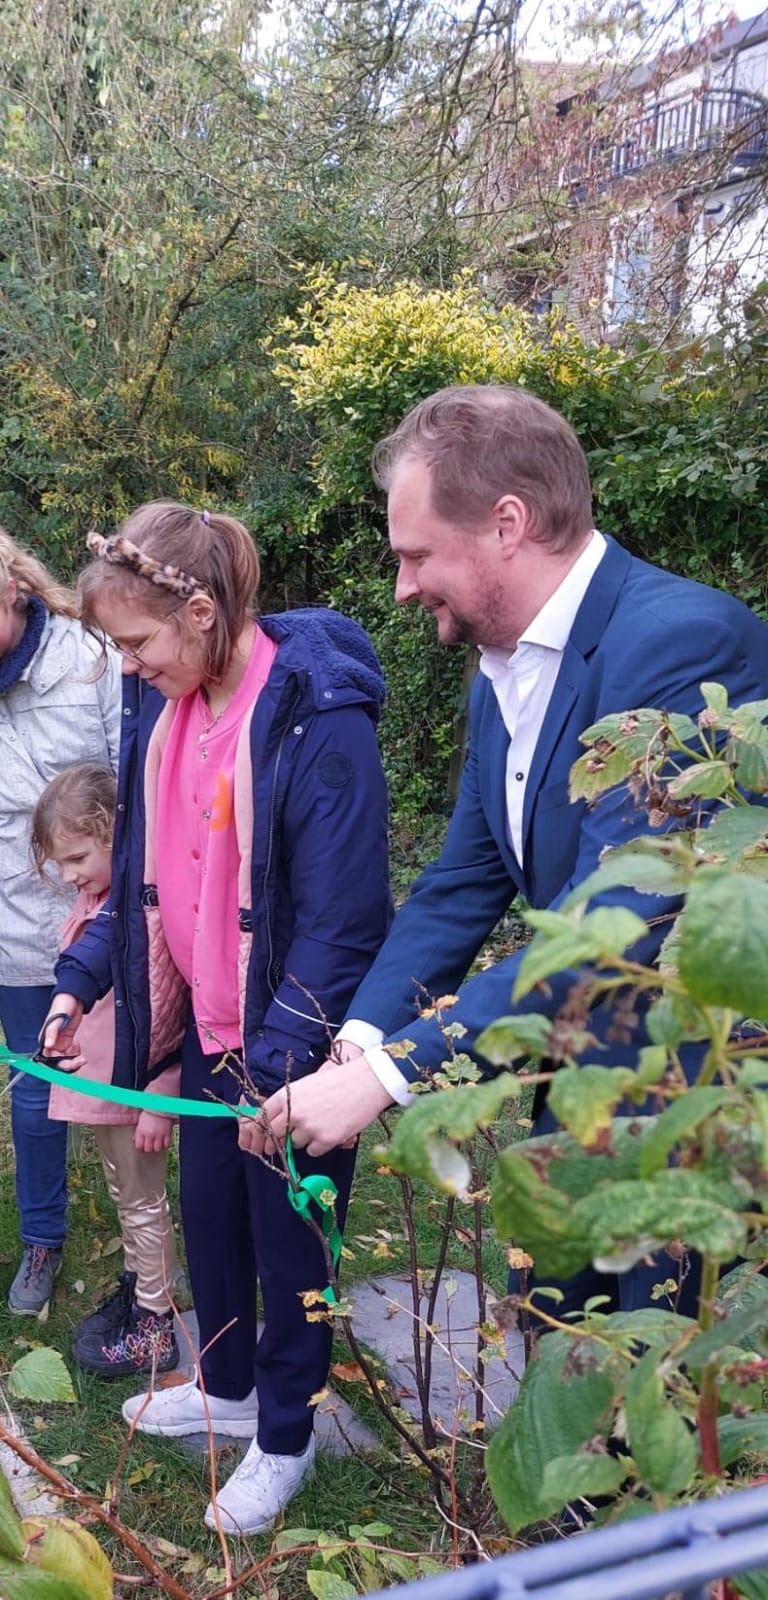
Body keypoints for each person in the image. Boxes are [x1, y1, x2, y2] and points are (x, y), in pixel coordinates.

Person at [247, 383, 768, 1315]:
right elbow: (462, 880)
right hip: (575, 1097)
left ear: (507, 524)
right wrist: (356, 1045)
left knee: (662, 1372)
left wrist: (391, 1075)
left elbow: (619, 918)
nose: (403, 586)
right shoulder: (500, 670)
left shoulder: (681, 646)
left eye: (416, 555)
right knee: (566, 1337)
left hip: (688, 1113)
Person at [42, 501, 391, 1536]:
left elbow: (344, 920)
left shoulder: (316, 716)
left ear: (200, 612)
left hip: (293, 1046)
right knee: (214, 1223)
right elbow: (147, 886)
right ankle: (228, 1384)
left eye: (137, 643)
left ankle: (286, 1434)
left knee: (293, 1248)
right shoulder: (168, 712)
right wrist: (80, 982)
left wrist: (279, 1067)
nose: (129, 665)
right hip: (210, 1031)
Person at [0, 527, 121, 1316]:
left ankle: (149, 1245)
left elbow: (138, 786)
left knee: (130, 1083)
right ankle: (42, 1237)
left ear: (14, 587)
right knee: (35, 1092)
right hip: (12, 934)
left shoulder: (92, 658)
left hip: (101, 928)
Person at [31, 762, 180, 1376]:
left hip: (134, 1088)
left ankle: (156, 1325)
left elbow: (173, 1006)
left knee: (143, 1201)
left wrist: (162, 1090)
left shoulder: (145, 904)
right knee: (126, 1194)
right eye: (59, 863)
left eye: (76, 858)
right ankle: (140, 1290)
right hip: (104, 1083)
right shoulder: (101, 895)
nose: (68, 875)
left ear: (113, 833)